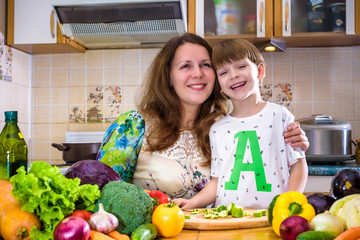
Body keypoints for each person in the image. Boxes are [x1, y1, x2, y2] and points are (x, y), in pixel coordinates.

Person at [96, 33, 309, 200]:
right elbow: (103, 194)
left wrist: (293, 141)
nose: (197, 73)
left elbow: (262, 169)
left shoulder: (225, 126)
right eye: (185, 66)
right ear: (169, 77)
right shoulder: (133, 126)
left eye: (205, 65)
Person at [173, 38, 308, 209]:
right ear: (219, 85)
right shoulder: (217, 129)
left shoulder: (279, 115)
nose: (234, 75)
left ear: (260, 70)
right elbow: (217, 182)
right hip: (226, 219)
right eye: (223, 73)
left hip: (269, 217)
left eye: (241, 66)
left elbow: (298, 166)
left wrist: (290, 203)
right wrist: (192, 203)